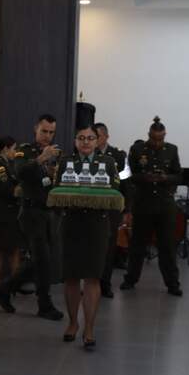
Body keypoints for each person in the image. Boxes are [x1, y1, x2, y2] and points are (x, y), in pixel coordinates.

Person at [55, 124, 121, 349]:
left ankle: (90, 327)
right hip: (71, 224)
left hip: (97, 226)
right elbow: (57, 189)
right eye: (81, 138)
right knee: (72, 277)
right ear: (75, 141)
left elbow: (115, 190)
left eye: (90, 138)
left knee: (93, 277)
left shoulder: (109, 162)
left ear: (98, 140)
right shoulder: (66, 162)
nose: (85, 142)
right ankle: (73, 323)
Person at [121, 116, 183, 296]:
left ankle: (173, 284)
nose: (157, 142)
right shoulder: (137, 149)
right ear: (149, 135)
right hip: (143, 203)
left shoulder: (172, 150)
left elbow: (178, 175)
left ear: (165, 136)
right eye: (154, 138)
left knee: (167, 246)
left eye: (161, 138)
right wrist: (146, 177)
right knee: (137, 245)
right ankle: (130, 279)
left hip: (165, 205)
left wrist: (165, 178)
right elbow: (130, 175)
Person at [13, 115, 65, 320]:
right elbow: (19, 172)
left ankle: (4, 288)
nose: (48, 136)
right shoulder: (24, 150)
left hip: (50, 211)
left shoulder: (57, 153)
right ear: (36, 129)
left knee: (43, 260)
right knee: (42, 260)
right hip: (31, 211)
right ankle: (44, 304)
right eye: (44, 131)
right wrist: (41, 159)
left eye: (51, 132)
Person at [0, 136, 22, 312]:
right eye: (13, 148)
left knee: (11, 250)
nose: (15, 153)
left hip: (9, 214)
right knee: (0, 251)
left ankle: (11, 285)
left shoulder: (7, 164)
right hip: (3, 214)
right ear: (5, 149)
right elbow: (7, 189)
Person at [93, 122, 127, 298]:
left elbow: (125, 179)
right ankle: (92, 281)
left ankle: (105, 283)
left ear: (105, 136)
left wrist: (126, 208)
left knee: (109, 246)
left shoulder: (119, 155)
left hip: (112, 205)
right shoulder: (88, 154)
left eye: (96, 136)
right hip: (93, 205)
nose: (93, 140)